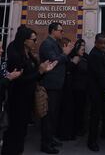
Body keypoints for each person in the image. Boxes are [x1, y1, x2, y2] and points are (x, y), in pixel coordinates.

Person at [1, 26, 57, 155]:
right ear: (25, 40)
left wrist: (43, 72)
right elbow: (20, 80)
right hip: (18, 100)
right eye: (33, 39)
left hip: (28, 99)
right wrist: (39, 72)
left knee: (21, 133)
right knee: (14, 134)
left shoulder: (29, 54)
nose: (35, 42)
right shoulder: (15, 55)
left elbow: (34, 76)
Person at [38, 23, 72, 154]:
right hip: (50, 84)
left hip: (57, 84)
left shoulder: (55, 43)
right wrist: (65, 54)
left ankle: (51, 138)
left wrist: (64, 54)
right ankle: (45, 144)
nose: (62, 33)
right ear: (53, 31)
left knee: (54, 115)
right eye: (60, 31)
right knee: (49, 116)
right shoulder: (47, 44)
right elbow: (53, 61)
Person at [71, 39, 89, 136]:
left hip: (83, 88)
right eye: (82, 49)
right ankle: (77, 129)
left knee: (82, 109)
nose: (83, 51)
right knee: (77, 109)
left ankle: (80, 128)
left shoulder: (85, 58)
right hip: (77, 88)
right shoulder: (75, 59)